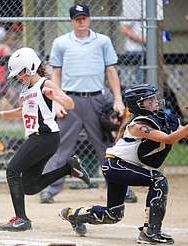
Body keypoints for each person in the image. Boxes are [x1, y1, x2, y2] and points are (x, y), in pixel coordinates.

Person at [58, 84, 188, 244]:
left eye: (154, 98)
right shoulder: (138, 125)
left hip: (120, 167)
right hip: (115, 165)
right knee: (158, 180)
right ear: (138, 105)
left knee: (113, 215)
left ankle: (73, 214)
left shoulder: (164, 119)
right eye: (149, 100)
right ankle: (150, 232)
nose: (155, 102)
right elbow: (169, 139)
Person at [0, 47, 91, 232]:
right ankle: (69, 167)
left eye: (21, 73)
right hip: (41, 138)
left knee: (12, 170)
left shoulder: (45, 84)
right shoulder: (25, 91)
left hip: (45, 136)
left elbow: (70, 103)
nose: (18, 78)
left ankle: (21, 219)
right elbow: (22, 112)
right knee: (29, 186)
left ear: (31, 68)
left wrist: (55, 96)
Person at [39, 4, 126, 204]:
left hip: (96, 99)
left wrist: (118, 99)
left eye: (84, 18)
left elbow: (111, 71)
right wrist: (56, 101)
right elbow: (56, 73)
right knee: (61, 146)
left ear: (89, 19)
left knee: (107, 147)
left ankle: (120, 188)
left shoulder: (102, 41)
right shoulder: (61, 42)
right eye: (77, 18)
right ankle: (49, 189)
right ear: (71, 21)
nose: (81, 22)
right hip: (69, 100)